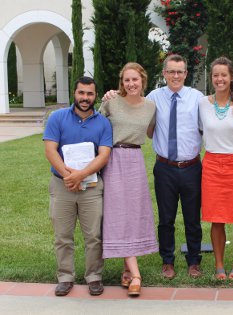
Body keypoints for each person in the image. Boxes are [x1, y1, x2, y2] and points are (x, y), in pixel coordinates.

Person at [104, 54, 203, 279]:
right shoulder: (153, 98)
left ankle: (194, 261)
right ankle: (167, 260)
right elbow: (133, 108)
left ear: (186, 74)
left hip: (191, 166)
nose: (175, 75)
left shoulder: (197, 98)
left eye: (180, 71)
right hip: (165, 167)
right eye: (171, 71)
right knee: (166, 218)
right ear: (164, 74)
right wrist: (111, 94)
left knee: (192, 218)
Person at [43, 76, 112, 297]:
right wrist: (68, 176)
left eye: (90, 94)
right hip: (62, 185)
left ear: (95, 95)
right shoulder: (57, 117)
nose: (85, 98)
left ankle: (94, 277)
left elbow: (104, 155)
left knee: (94, 235)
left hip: (91, 186)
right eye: (81, 93)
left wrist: (80, 175)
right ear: (74, 93)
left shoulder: (103, 122)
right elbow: (51, 150)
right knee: (62, 235)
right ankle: (65, 276)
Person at [99, 62, 158, 296]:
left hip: (135, 160)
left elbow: (153, 132)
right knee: (118, 214)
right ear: (121, 83)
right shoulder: (111, 102)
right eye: (126, 80)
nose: (131, 84)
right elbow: (94, 125)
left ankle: (126, 269)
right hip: (113, 159)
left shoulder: (151, 107)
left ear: (143, 80)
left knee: (133, 214)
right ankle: (136, 274)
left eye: (135, 79)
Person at [199, 57, 233, 281]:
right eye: (215, 75)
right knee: (216, 218)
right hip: (211, 165)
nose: (219, 79)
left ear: (231, 78)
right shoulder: (202, 103)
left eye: (223, 75)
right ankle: (219, 265)